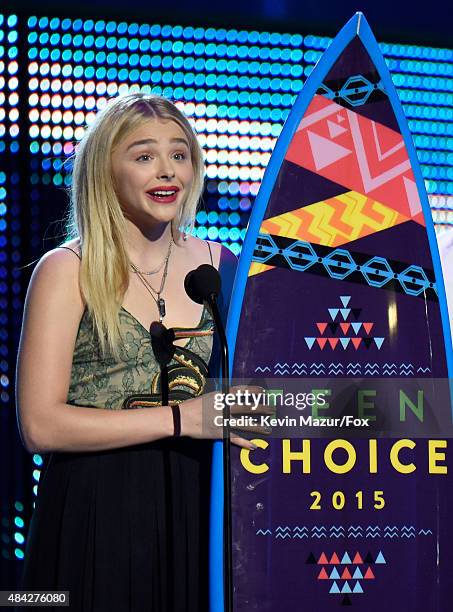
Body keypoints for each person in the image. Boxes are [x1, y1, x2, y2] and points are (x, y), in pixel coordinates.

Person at [15, 93, 261, 611]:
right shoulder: (66, 271)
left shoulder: (222, 265)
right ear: (107, 169)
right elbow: (40, 425)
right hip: (97, 510)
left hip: (201, 505)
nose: (167, 170)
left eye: (180, 153)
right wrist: (183, 420)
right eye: (144, 155)